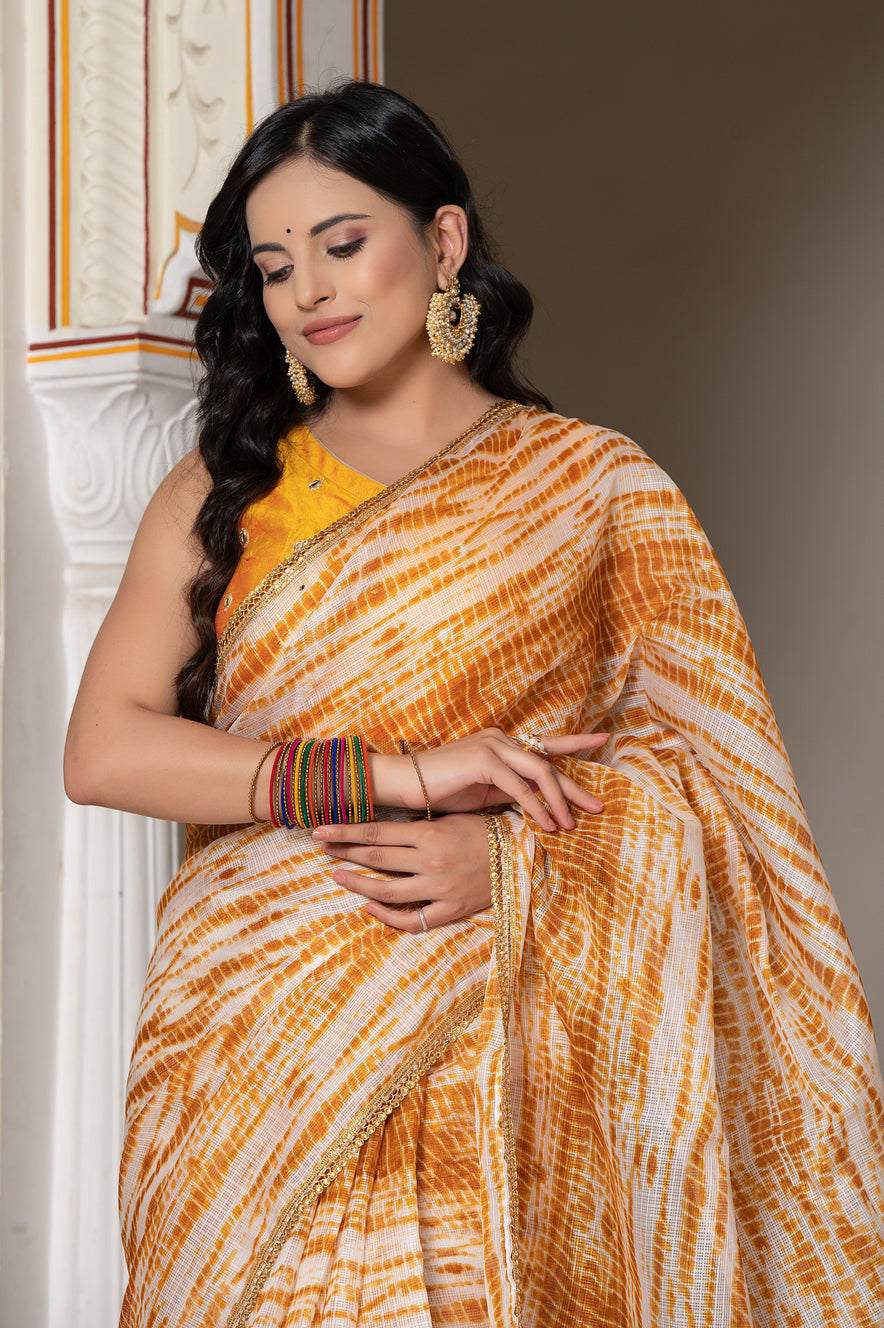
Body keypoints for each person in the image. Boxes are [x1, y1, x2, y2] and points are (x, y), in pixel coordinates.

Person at [63, 81, 884, 1328]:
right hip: (251, 1038)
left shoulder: (591, 489)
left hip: (501, 1043)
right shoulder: (224, 488)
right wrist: (393, 775)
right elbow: (103, 748)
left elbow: (724, 802)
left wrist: (510, 864)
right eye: (275, 268)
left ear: (441, 241)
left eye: (343, 244)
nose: (309, 291)